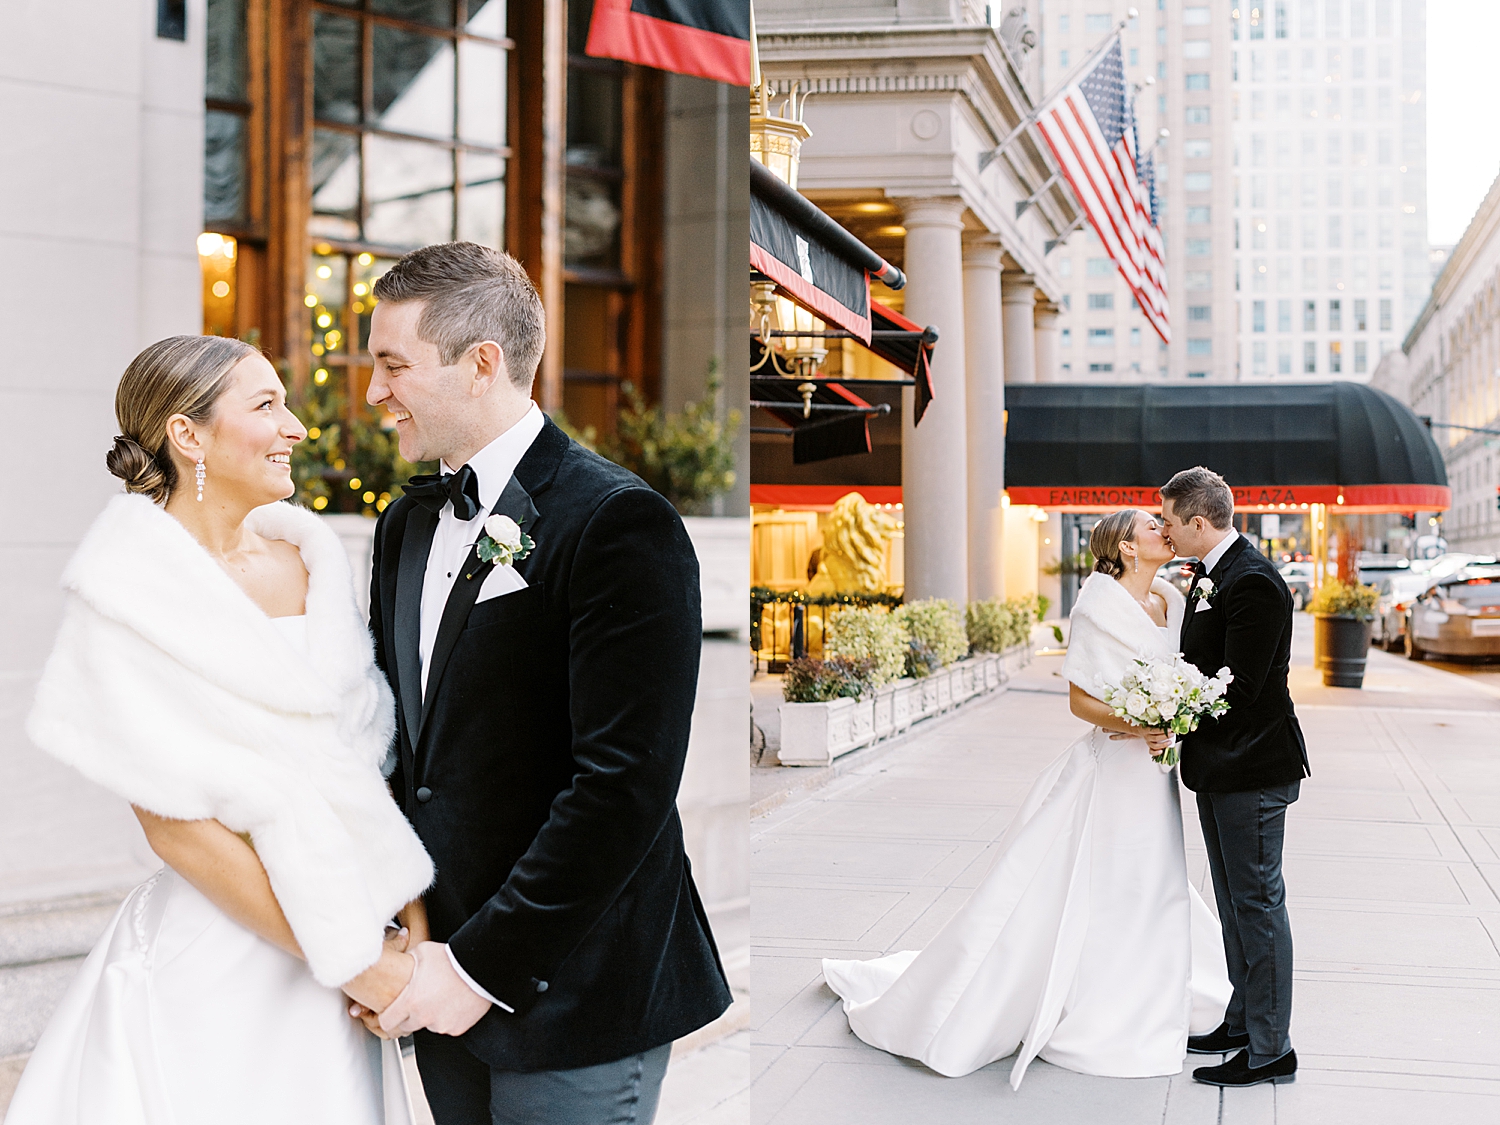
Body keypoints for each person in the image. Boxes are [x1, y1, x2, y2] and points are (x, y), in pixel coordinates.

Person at [350, 242, 732, 1124]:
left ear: (482, 364)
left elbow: (622, 787)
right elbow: (398, 747)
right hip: (439, 986)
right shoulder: (404, 525)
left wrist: (478, 967)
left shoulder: (618, 522)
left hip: (580, 994)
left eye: (393, 365)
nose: (374, 392)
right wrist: (394, 939)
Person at [8, 336, 434, 1125]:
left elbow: (362, 771)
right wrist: (353, 959)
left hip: (346, 946)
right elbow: (176, 830)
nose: (298, 427)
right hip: (224, 953)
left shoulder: (313, 560)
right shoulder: (128, 593)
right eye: (267, 405)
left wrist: (404, 909)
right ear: (188, 434)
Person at [822, 509, 1232, 1089]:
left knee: (1155, 882)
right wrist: (1140, 723)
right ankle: (1098, 1008)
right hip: (1115, 765)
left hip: (1156, 772)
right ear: (1125, 545)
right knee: (1110, 884)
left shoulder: (1171, 600)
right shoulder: (1097, 606)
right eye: (1148, 525)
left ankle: (1153, 994)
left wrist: (1178, 715)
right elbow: (1081, 703)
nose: (1162, 529)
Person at [1159, 467, 1310, 1089]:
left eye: (1169, 520)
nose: (1163, 531)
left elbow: (1243, 690)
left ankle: (1272, 1049)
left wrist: (1169, 709)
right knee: (1232, 902)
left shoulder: (1252, 582)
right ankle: (1244, 1021)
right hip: (1223, 767)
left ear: (1199, 522)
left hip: (1253, 765)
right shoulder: (1211, 576)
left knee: (1257, 903)